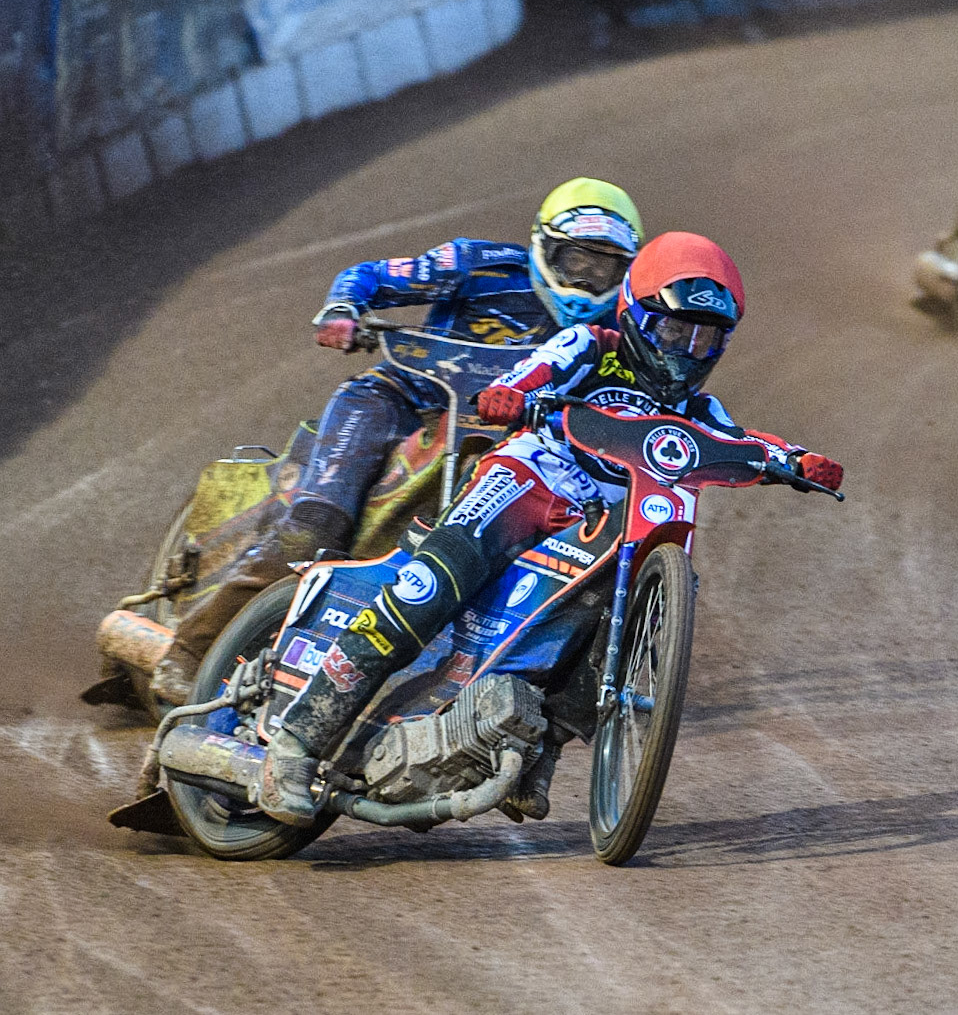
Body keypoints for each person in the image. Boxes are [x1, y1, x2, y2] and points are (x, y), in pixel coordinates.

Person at [253, 232, 845, 825]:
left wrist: (796, 462)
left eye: (706, 336)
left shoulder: (700, 409)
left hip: (600, 523)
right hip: (531, 478)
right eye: (674, 330)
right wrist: (510, 394)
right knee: (428, 588)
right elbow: (536, 368)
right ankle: (295, 746)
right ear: (639, 315)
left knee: (611, 612)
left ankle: (537, 745)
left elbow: (744, 441)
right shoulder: (589, 344)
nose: (688, 349)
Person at [150, 178, 644, 705]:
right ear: (544, 248)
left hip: (517, 444)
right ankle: (187, 655)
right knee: (314, 528)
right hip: (397, 404)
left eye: (604, 267)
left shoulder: (628, 326)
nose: (588, 280)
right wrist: (343, 309)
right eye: (576, 262)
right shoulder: (478, 265)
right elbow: (368, 277)